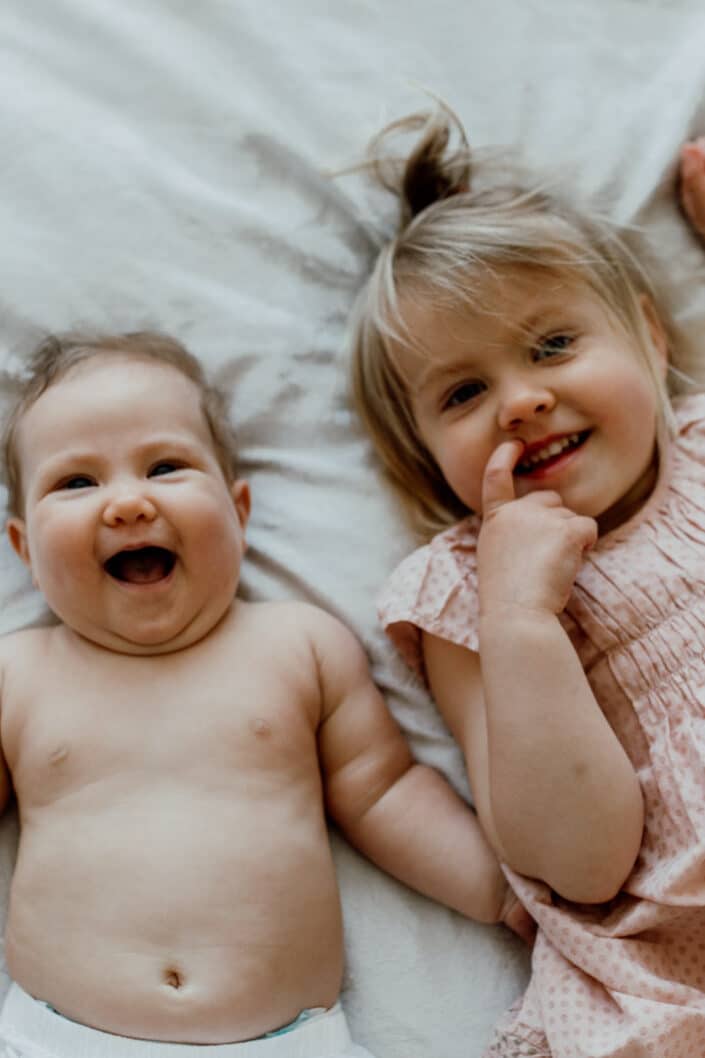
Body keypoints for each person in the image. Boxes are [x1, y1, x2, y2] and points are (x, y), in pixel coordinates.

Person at [0, 331, 532, 1058]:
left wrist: (499, 892)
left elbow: (380, 791)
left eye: (165, 466)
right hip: (56, 1037)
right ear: (25, 549)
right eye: (77, 483)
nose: (126, 503)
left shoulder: (297, 646)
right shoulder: (18, 673)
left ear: (238, 511)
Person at [349, 109, 705, 1057]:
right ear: (421, 457)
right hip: (669, 988)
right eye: (462, 394)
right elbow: (578, 866)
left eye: (551, 345)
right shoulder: (464, 593)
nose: (521, 399)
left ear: (647, 336)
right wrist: (521, 619)